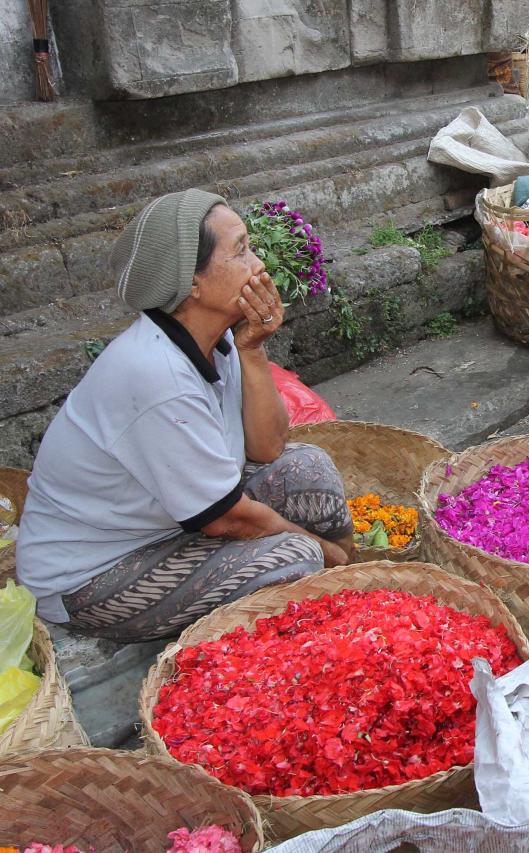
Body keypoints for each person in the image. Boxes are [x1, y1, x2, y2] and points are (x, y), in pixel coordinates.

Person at [15, 189, 354, 643]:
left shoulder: (220, 339)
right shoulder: (153, 373)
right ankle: (343, 591)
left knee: (306, 466)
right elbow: (228, 519)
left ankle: (350, 591)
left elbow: (267, 448)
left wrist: (253, 349)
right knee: (292, 558)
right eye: (241, 252)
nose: (259, 267)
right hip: (91, 576)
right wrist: (326, 553)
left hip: (166, 525)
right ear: (191, 283)